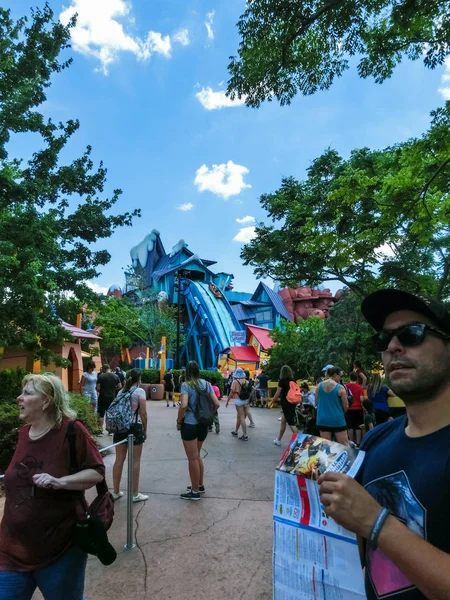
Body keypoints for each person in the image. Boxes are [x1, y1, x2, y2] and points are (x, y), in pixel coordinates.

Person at [318, 288, 450, 599]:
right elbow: (360, 545)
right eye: (384, 339)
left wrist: (377, 522)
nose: (392, 346)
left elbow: (369, 521)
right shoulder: (376, 441)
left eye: (412, 334)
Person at [0, 374, 105, 600]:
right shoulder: (22, 434)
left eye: (27, 393)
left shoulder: (71, 431)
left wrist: (61, 482)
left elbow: (96, 472)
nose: (19, 398)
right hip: (12, 549)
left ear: (46, 401)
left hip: (60, 550)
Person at [177, 361, 220, 500]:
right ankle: (199, 485)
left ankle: (194, 492)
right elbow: (217, 403)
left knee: (192, 458)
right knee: (197, 455)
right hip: (203, 425)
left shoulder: (186, 385)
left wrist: (179, 421)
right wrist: (209, 415)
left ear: (187, 372)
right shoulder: (206, 384)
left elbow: (183, 405)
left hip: (190, 424)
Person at [111, 368, 148, 503]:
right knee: (135, 461)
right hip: (134, 426)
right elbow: (143, 414)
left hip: (120, 428)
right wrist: (145, 429)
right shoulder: (139, 391)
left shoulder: (122, 391)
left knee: (119, 460)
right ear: (139, 379)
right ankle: (134, 494)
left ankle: (115, 491)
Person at [315, 366, 349, 446]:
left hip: (322, 419)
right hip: (337, 419)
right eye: (340, 376)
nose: (341, 378)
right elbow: (346, 405)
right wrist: (341, 412)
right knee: (344, 444)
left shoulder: (319, 386)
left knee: (326, 445)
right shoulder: (340, 387)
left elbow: (316, 403)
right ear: (335, 374)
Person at [271, 365, 297, 446]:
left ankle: (299, 440)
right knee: (283, 421)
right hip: (292, 403)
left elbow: (277, 393)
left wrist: (272, 401)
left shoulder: (282, 381)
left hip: (286, 403)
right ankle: (278, 439)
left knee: (291, 423)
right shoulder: (293, 380)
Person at [226, 367, 251, 441]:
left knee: (241, 417)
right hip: (245, 400)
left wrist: (228, 401)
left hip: (238, 400)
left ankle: (245, 435)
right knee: (239, 417)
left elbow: (231, 393)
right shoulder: (246, 381)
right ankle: (236, 431)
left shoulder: (235, 382)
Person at [96, 364, 121, 430]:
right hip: (111, 398)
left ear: (104, 369)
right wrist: (113, 390)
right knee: (110, 414)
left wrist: (101, 390)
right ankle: (109, 429)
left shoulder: (101, 376)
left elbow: (97, 388)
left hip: (102, 398)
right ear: (109, 368)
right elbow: (120, 386)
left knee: (101, 414)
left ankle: (100, 429)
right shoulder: (116, 376)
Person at [345, 371, 365, 445]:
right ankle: (358, 442)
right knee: (358, 426)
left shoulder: (345, 386)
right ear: (356, 378)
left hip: (349, 408)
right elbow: (361, 399)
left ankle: (352, 442)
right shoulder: (359, 387)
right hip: (358, 408)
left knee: (350, 426)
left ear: (349, 378)